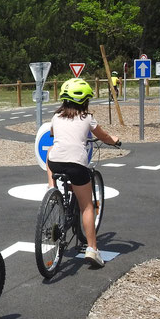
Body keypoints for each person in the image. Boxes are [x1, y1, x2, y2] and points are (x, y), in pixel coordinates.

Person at [46, 78, 121, 268]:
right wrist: (114, 140)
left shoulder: (56, 117)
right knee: (86, 206)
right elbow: (103, 136)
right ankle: (92, 250)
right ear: (86, 100)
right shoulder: (87, 118)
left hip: (56, 163)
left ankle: (51, 186)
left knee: (50, 152)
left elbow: (54, 135)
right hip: (76, 165)